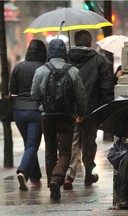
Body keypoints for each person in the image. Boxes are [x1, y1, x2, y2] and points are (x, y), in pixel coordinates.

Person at [31, 39, 87, 201]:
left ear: (49, 52)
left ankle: (51, 184)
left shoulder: (41, 70)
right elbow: (81, 96)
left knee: (50, 150)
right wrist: (81, 112)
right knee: (64, 152)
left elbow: (35, 95)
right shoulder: (73, 71)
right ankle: (57, 179)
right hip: (66, 117)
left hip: (46, 116)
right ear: (64, 53)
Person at [64, 30, 115, 190]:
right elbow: (106, 88)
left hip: (70, 110)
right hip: (92, 110)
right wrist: (108, 107)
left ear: (75, 41)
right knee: (89, 143)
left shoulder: (66, 60)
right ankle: (88, 172)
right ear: (90, 42)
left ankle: (69, 176)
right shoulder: (100, 61)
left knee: (72, 142)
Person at [9, 39, 47, 191]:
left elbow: (13, 89)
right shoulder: (43, 68)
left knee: (29, 146)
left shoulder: (19, 67)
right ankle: (23, 171)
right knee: (32, 145)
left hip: (19, 111)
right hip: (36, 111)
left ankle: (35, 178)